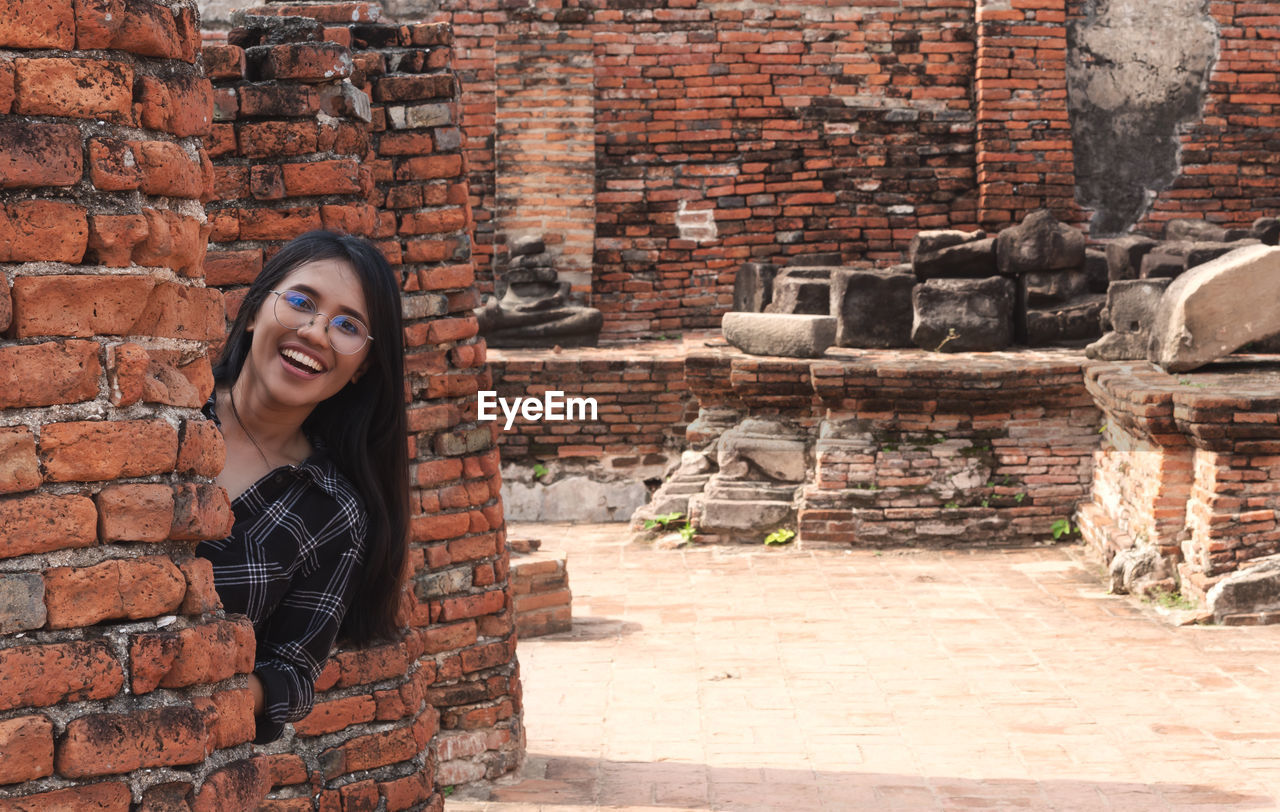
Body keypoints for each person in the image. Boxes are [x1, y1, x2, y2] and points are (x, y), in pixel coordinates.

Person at [196, 231, 410, 743]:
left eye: (348, 326)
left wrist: (204, 688)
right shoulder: (160, 408)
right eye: (300, 302)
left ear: (362, 369)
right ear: (254, 311)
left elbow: (291, 675)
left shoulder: (331, 511)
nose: (315, 332)